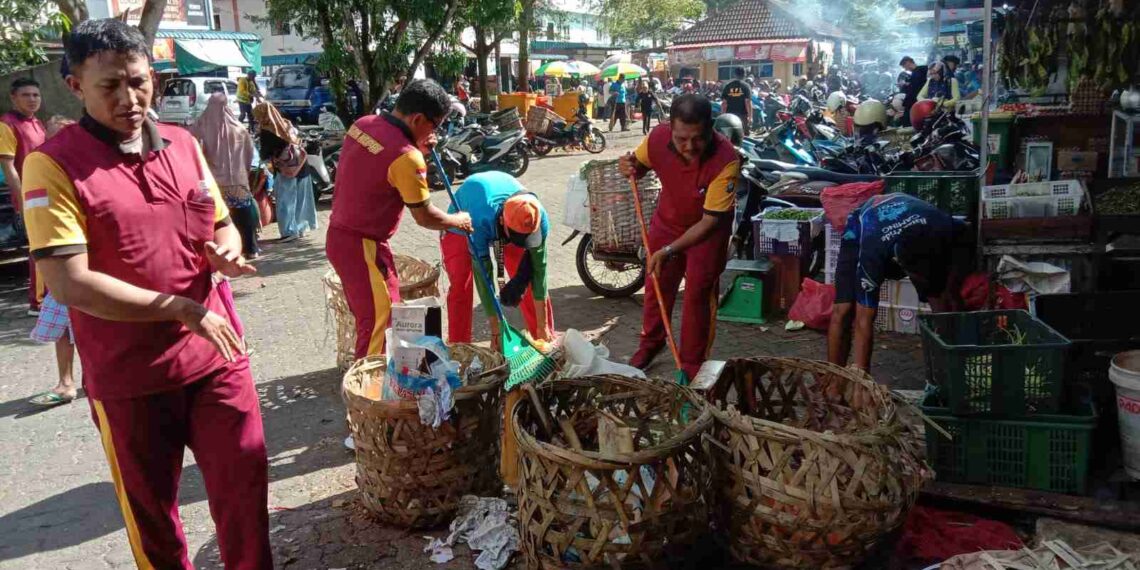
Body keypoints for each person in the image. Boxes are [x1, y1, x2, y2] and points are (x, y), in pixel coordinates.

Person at [21, 18, 269, 568]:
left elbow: (220, 223)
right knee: (154, 520)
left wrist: (225, 249)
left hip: (216, 356)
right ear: (76, 85)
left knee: (245, 491)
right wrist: (179, 308)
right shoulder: (52, 164)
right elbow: (68, 281)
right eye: (109, 86)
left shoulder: (183, 143)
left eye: (138, 81)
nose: (128, 98)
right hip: (129, 376)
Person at [326, 79, 472, 361]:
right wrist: (458, 220)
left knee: (384, 315)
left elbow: (377, 166)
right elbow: (425, 216)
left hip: (341, 237)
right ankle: (368, 396)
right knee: (378, 324)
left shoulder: (363, 124)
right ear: (418, 118)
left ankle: (385, 383)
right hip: (362, 246)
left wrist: (417, 148)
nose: (436, 133)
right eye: (436, 125)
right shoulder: (407, 157)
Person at [618, 94, 740, 378]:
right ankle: (651, 343)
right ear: (669, 127)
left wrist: (670, 249)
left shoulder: (726, 160)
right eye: (681, 138)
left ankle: (691, 365)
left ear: (711, 128)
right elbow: (638, 163)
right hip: (667, 223)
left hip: (707, 232)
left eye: (697, 138)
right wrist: (629, 166)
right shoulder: (657, 138)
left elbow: (710, 221)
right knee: (656, 284)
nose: (689, 147)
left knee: (697, 293)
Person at [828, 194, 973, 371]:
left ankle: (949, 364)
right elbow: (863, 320)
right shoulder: (873, 252)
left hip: (920, 225)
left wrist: (951, 292)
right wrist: (862, 377)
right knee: (843, 309)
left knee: (942, 295)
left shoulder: (946, 228)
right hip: (861, 229)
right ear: (899, 263)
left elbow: (964, 239)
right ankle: (834, 380)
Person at [441, 171, 553, 348]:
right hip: (463, 221)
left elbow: (540, 271)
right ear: (502, 222)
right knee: (461, 285)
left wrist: (543, 326)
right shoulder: (477, 221)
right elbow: (484, 279)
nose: (522, 243)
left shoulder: (537, 217)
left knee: (528, 278)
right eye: (516, 237)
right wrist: (496, 331)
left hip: (507, 216)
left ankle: (542, 339)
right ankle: (459, 348)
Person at [27, 116, 78, 408]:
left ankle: (91, 380)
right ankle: (66, 382)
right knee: (62, 329)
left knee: (95, 326)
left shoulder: (86, 170)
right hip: (59, 264)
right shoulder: (42, 169)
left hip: (91, 265)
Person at [193, 92, 261, 258]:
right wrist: (243, 171)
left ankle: (228, 251)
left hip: (215, 181)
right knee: (244, 214)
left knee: (223, 218)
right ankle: (251, 248)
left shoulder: (201, 126)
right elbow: (249, 153)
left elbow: (193, 150)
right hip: (239, 180)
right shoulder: (239, 128)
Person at [1, 77, 47, 315]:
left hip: (45, 194)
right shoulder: (7, 124)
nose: (32, 99)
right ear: (13, 97)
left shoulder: (37, 123)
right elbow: (9, 167)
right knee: (38, 249)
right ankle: (37, 302)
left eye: (35, 95)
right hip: (29, 197)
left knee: (48, 246)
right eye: (26, 95)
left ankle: (48, 298)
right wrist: (21, 201)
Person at [255, 101, 318, 242]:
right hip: (301, 165)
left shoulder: (268, 130)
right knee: (301, 198)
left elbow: (264, 154)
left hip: (285, 169)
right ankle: (301, 228)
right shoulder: (285, 123)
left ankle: (289, 231)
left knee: (285, 201)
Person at [720, 67, 753, 135]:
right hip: (742, 116)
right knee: (744, 137)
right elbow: (747, 102)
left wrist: (723, 116)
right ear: (744, 75)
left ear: (735, 75)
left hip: (730, 116)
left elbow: (724, 103)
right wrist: (750, 117)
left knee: (730, 136)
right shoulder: (746, 86)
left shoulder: (728, 86)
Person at [899, 56, 928, 125]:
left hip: (916, 99)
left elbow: (916, 86)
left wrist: (906, 84)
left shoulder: (920, 70)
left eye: (904, 66)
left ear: (908, 63)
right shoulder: (916, 72)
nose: (905, 69)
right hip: (914, 99)